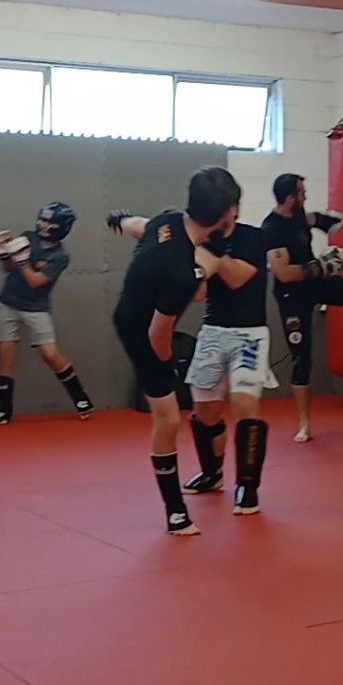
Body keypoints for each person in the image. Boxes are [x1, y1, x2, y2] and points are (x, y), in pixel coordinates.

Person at [108, 165, 238, 536]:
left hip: (149, 301)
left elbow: (140, 226)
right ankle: (175, 512)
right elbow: (158, 332)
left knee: (200, 275)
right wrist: (166, 369)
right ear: (226, 212)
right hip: (139, 330)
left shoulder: (168, 221)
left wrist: (119, 221)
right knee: (168, 420)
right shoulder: (180, 273)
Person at [262, 173, 343, 443]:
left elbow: (313, 219)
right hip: (292, 296)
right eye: (301, 192)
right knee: (301, 358)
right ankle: (304, 424)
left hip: (315, 284)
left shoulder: (299, 215)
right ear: (289, 198)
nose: (305, 195)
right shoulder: (272, 229)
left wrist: (332, 220)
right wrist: (322, 266)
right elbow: (284, 274)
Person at [182, 184, 275, 515]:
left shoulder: (254, 238)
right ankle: (212, 472)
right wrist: (197, 263)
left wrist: (215, 257)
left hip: (249, 334)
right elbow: (197, 295)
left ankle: (248, 486)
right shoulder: (202, 239)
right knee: (204, 411)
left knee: (244, 403)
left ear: (234, 209)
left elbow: (237, 278)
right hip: (212, 332)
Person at [0, 203, 93, 424]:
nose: (41, 224)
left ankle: (81, 398)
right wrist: (4, 253)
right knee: (5, 355)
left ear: (59, 226)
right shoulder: (28, 237)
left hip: (36, 307)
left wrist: (22, 261)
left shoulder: (60, 256)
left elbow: (36, 282)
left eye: (47, 221)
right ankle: (4, 411)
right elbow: (8, 269)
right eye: (42, 219)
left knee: (50, 353)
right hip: (8, 303)